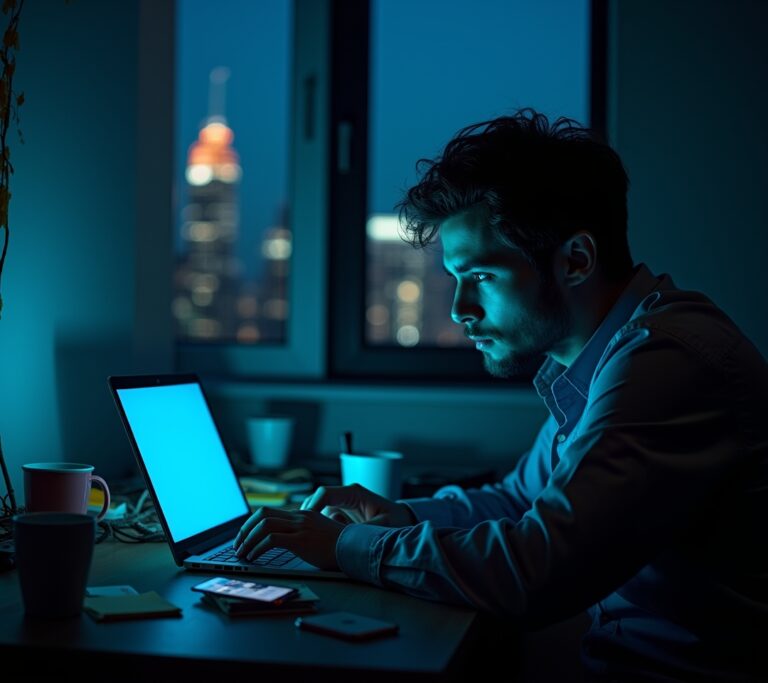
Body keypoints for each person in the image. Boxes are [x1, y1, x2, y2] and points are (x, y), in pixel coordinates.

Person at [233, 109, 768, 681]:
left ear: (576, 260)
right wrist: (401, 516)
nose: (460, 309)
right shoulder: (599, 362)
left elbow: (537, 569)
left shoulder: (667, 361)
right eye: (455, 280)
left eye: (482, 276)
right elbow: (520, 501)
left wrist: (348, 547)